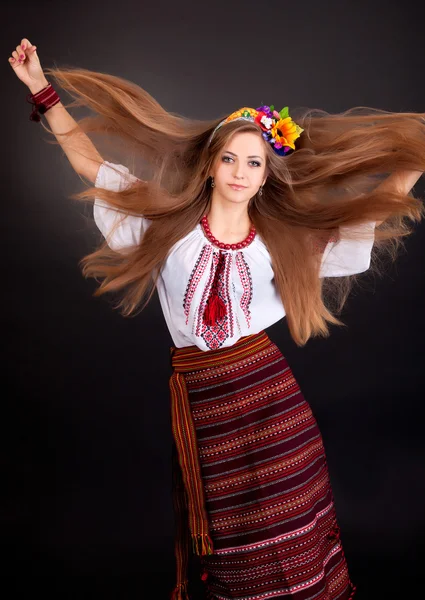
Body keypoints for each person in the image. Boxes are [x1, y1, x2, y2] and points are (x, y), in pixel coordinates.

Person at [9, 38, 425, 600]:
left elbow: (365, 221)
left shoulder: (282, 242)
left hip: (274, 405)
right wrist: (41, 88)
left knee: (291, 534)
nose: (239, 170)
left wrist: (412, 163)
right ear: (210, 164)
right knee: (234, 543)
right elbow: (90, 163)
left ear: (265, 177)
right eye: (229, 157)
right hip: (206, 405)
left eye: (254, 162)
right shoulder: (164, 226)